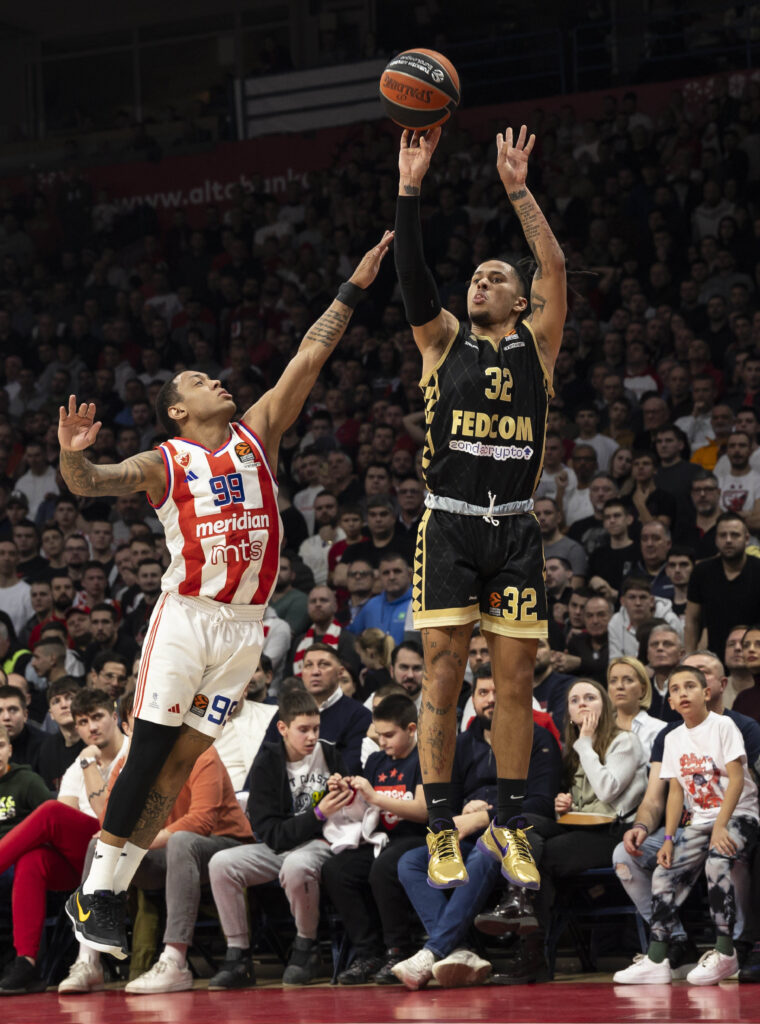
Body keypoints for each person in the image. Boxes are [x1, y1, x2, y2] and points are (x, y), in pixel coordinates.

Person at [57, 231, 394, 957]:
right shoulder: (166, 460)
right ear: (177, 410)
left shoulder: (257, 434)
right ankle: (99, 891)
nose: (218, 382)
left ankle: (102, 893)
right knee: (148, 752)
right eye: (200, 380)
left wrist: (354, 287)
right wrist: (72, 454)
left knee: (183, 762)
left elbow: (311, 353)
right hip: (187, 618)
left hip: (245, 627)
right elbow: (89, 484)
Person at [394, 122, 566, 890]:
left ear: (521, 298)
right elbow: (412, 277)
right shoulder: (441, 342)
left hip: (515, 528)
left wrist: (519, 190)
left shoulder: (540, 342)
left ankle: (511, 823)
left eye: (495, 278)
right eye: (476, 278)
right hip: (450, 521)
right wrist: (410, 189)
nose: (480, 284)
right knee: (442, 670)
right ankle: (439, 827)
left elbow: (555, 264)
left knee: (517, 679)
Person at [393, 665, 562, 989]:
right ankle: (459, 951)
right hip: (467, 831)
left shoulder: (539, 739)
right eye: (483, 693)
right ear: (474, 699)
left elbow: (543, 804)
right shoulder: (460, 743)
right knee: (410, 862)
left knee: (487, 851)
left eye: (498, 693)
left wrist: (486, 816)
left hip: (515, 833)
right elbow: (443, 802)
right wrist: (460, 817)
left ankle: (434, 950)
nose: (491, 700)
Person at [612, 650, 760, 977]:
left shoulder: (725, 726)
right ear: (671, 700)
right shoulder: (673, 738)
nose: (682, 693)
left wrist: (721, 826)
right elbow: (676, 791)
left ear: (706, 693)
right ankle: (657, 958)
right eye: (675, 689)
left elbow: (737, 779)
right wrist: (666, 838)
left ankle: (725, 951)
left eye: (690, 686)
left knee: (718, 860)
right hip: (700, 821)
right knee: (666, 872)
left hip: (740, 816)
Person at [207, 688, 353, 989]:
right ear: (283, 728)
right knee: (221, 863)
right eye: (303, 730)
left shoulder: (331, 755)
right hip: (279, 845)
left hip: (320, 846)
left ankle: (306, 945)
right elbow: (271, 835)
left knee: (297, 865)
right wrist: (317, 815)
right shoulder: (266, 764)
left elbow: (348, 818)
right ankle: (238, 954)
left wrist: (344, 787)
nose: (311, 737)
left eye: (316, 728)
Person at [323, 694, 428, 985]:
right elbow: (364, 807)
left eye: (389, 735)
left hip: (418, 837)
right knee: (337, 870)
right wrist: (345, 789)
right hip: (380, 838)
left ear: (411, 729)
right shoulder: (376, 760)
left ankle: (399, 950)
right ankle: (368, 952)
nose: (382, 742)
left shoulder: (426, 759)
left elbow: (422, 811)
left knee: (384, 866)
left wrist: (375, 795)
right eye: (378, 735)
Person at [685, 512, 760, 656]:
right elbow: (692, 620)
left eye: (735, 535)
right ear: (716, 540)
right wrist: (690, 657)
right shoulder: (702, 572)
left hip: (755, 655)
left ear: (747, 539)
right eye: (723, 535)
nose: (728, 540)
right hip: (715, 655)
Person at [348, 553, 413, 646]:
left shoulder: (419, 604)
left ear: (409, 575)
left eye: (397, 571)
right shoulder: (371, 605)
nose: (392, 577)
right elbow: (351, 634)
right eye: (386, 573)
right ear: (379, 578)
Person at [607, 656, 665, 758]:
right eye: (613, 681)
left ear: (643, 689)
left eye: (628, 680)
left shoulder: (659, 729)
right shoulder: (600, 730)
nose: (619, 686)